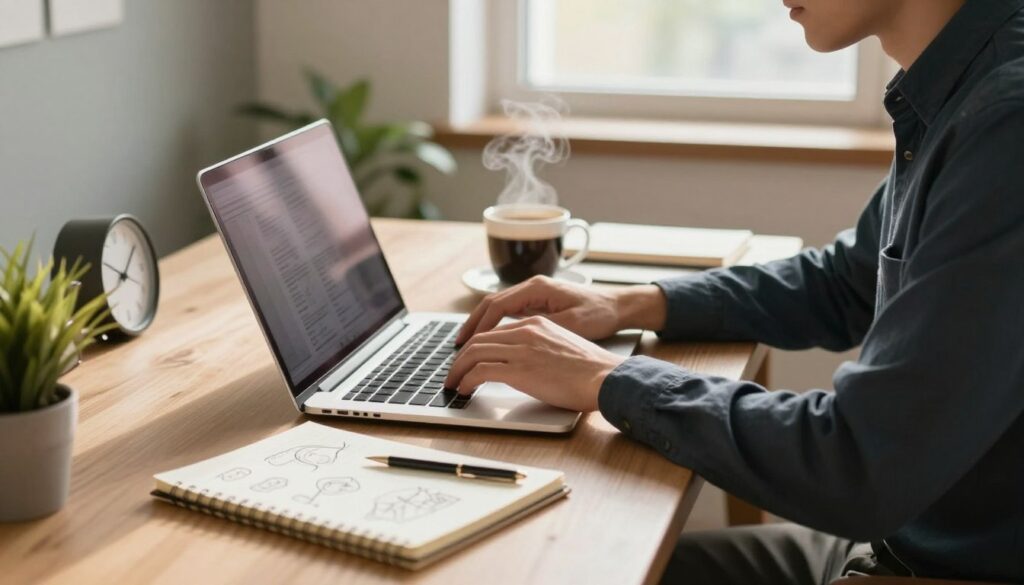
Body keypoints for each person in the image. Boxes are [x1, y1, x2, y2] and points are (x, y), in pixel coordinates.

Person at [444, 0, 1024, 582]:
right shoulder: (958, 87)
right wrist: (631, 303)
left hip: (943, 568)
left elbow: (856, 465)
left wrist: (605, 379)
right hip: (905, 541)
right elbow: (845, 284)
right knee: (568, 562)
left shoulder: (1005, 123)